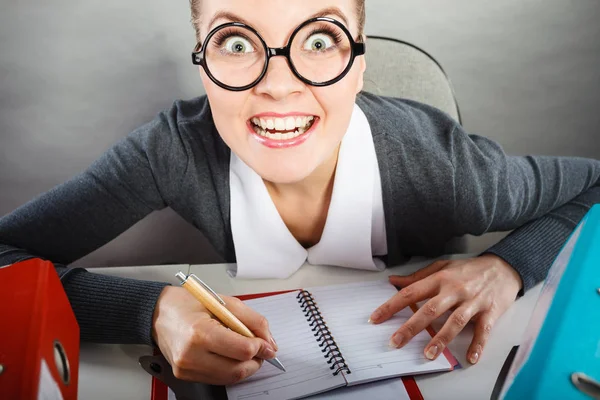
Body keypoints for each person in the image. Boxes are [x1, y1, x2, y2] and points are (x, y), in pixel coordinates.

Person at [1, 0, 599, 386]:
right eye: (236, 44)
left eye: (319, 41)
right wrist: (148, 310)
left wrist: (507, 265)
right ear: (203, 64)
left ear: (360, 66)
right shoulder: (173, 148)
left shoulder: (451, 172)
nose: (279, 87)